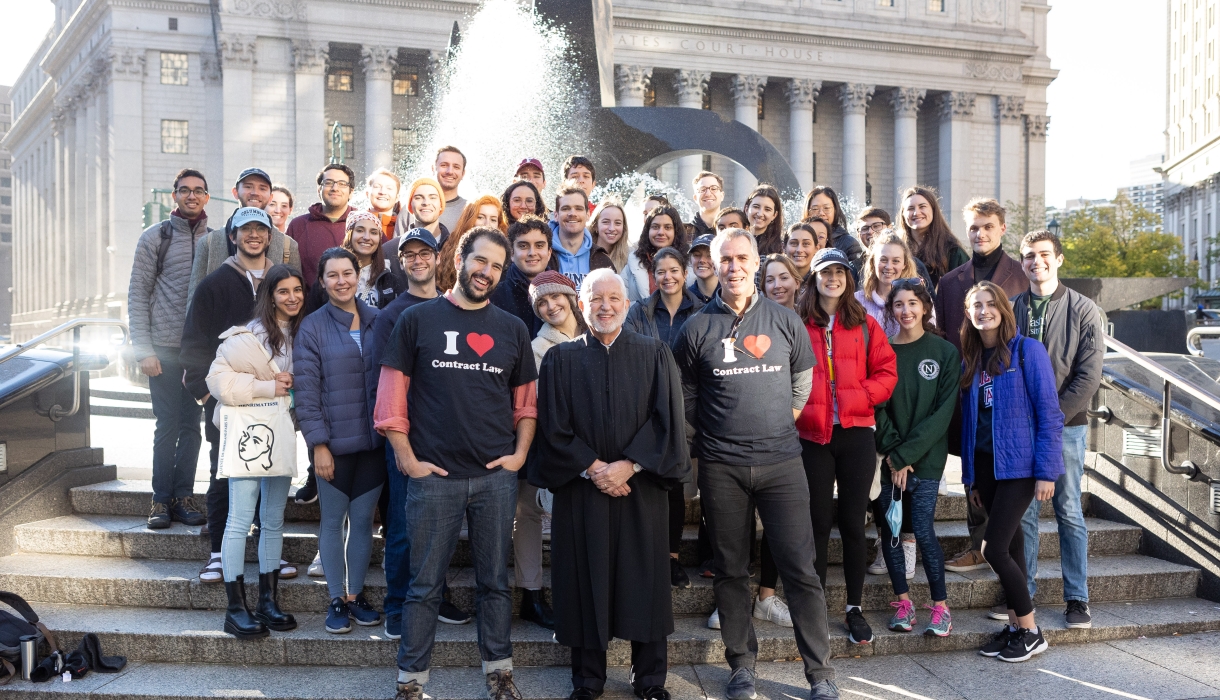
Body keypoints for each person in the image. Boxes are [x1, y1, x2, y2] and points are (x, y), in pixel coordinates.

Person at [673, 228, 839, 700]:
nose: (734, 267)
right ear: (713, 264)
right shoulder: (696, 328)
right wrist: (713, 437)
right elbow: (685, 397)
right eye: (725, 259)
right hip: (722, 468)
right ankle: (741, 665)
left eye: (742, 257)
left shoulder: (784, 319)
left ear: (756, 260)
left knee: (800, 569)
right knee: (730, 569)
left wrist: (778, 421)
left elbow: (803, 380)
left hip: (782, 464)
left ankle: (821, 674)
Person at [374, 227, 538, 700]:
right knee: (423, 586)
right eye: (479, 261)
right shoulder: (418, 319)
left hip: (494, 480)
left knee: (495, 584)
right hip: (434, 479)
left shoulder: (511, 328)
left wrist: (520, 455)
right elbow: (390, 399)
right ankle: (411, 683)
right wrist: (408, 459)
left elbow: (526, 404)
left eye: (495, 267)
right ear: (460, 257)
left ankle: (500, 675)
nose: (485, 272)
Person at [532, 268, 689, 700]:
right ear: (581, 305)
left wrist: (629, 466)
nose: (605, 306)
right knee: (584, 579)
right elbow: (553, 427)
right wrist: (594, 468)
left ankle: (651, 678)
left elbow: (667, 421)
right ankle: (587, 680)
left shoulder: (654, 353)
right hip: (582, 491)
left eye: (614, 299)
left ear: (626, 304)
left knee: (645, 579)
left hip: (641, 489)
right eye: (595, 298)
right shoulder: (561, 360)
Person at [366, 228, 472, 635]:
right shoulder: (393, 314)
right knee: (402, 526)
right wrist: (398, 440)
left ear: (437, 257)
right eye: (409, 254)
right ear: (402, 261)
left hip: (448, 437)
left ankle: (437, 594)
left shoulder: (454, 307)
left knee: (442, 526)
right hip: (407, 439)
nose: (417, 260)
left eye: (424, 253)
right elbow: (384, 381)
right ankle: (397, 606)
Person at [796, 247, 897, 646]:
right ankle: (816, 606)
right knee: (817, 523)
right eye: (825, 272)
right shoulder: (799, 323)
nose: (832, 278)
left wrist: (859, 397)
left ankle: (854, 608)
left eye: (840, 272)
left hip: (856, 433)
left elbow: (887, 373)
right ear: (815, 278)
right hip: (813, 436)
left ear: (849, 279)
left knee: (854, 523)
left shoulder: (866, 323)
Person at [960, 281, 1063, 663]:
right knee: (1014, 546)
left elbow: (1050, 414)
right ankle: (1018, 626)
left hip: (1020, 465)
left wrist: (1047, 471)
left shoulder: (1027, 351)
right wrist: (970, 475)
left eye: (990, 304)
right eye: (975, 306)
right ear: (968, 315)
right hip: (987, 467)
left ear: (1004, 309)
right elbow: (972, 424)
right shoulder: (971, 358)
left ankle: (1033, 631)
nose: (983, 311)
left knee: (993, 547)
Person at [180, 207, 278, 585]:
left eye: (260, 229)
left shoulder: (282, 280)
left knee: (271, 472)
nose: (253, 235)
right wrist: (208, 396)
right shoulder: (214, 284)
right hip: (228, 400)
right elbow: (192, 347)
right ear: (232, 236)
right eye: (245, 229)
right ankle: (219, 552)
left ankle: (270, 552)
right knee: (224, 474)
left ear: (270, 236)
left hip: (272, 398)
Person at [1013, 230, 1104, 631]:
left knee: (1067, 510)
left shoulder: (1084, 310)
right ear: (1022, 262)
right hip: (1019, 426)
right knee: (1025, 513)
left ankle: (1077, 598)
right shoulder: (1013, 306)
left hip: (1066, 426)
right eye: (1030, 256)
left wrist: (1052, 419)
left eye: (1045, 254)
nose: (1038, 262)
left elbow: (1089, 376)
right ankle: (1024, 594)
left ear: (1059, 259)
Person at [207, 264, 305, 638]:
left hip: (281, 433)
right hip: (249, 435)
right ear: (270, 295)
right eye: (283, 291)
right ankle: (235, 607)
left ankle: (267, 600)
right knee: (240, 517)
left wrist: (292, 387)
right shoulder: (246, 336)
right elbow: (216, 380)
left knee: (274, 518)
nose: (292, 297)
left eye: (298, 290)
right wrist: (269, 387)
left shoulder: (303, 332)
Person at [936, 199, 1029, 582]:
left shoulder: (1022, 277)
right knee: (974, 471)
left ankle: (1010, 561)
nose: (980, 233)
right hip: (967, 389)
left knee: (1008, 487)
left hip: (1008, 393)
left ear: (1002, 228)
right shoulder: (950, 281)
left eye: (988, 226)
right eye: (974, 227)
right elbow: (945, 336)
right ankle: (979, 545)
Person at [294, 247, 386, 635]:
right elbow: (306, 392)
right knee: (333, 522)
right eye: (333, 275)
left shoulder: (378, 320)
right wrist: (318, 445)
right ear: (323, 281)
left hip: (373, 446)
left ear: (358, 274)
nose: (342, 281)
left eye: (347, 273)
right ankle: (335, 597)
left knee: (363, 522)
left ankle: (355, 595)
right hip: (333, 446)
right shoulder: (312, 327)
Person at [873, 278, 959, 637]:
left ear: (925, 307)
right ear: (890, 309)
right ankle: (903, 603)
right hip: (889, 460)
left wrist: (908, 455)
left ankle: (941, 607)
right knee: (892, 531)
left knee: (922, 530)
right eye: (898, 304)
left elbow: (943, 413)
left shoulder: (944, 352)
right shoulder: (882, 351)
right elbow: (876, 405)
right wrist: (895, 454)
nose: (905, 311)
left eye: (912, 303)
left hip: (925, 460)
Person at [128, 168, 211, 529]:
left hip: (200, 352)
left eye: (198, 191)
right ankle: (160, 500)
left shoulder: (218, 238)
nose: (191, 196)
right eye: (184, 190)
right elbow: (137, 295)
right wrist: (142, 350)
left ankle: (184, 495)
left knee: (193, 425)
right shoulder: (155, 237)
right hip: (161, 348)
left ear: (207, 197)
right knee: (167, 425)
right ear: (174, 196)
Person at [623, 247, 704, 591]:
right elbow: (626, 353)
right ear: (653, 276)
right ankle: (645, 556)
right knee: (648, 485)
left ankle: (671, 558)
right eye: (661, 272)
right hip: (646, 408)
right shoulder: (640, 311)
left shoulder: (702, 311)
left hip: (690, 411)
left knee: (673, 488)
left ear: (684, 273)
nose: (668, 277)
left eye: (674, 270)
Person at [190, 167, 302, 300]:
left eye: (262, 188)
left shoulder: (288, 246)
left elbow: (296, 297)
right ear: (235, 192)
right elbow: (195, 297)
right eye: (248, 187)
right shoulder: (209, 243)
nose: (255, 193)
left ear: (270, 196)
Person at [307, 209, 405, 313]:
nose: (367, 237)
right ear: (349, 234)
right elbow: (312, 316)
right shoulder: (329, 275)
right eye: (360, 230)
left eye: (373, 232)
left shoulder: (389, 280)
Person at [285, 164, 355, 290]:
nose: (335, 188)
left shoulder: (363, 224)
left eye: (342, 184)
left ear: (351, 192)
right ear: (319, 190)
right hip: (310, 307)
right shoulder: (298, 225)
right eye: (328, 182)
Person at [490, 216, 558, 338]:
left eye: (539, 245)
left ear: (549, 253)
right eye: (523, 246)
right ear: (511, 253)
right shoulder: (495, 295)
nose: (532, 253)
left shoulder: (562, 294)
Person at [384, 177, 452, 285]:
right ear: (410, 205)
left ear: (441, 205)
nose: (426, 202)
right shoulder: (389, 250)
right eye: (419, 197)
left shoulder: (456, 247)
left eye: (433, 197)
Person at [898, 186, 969, 289]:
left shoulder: (952, 252)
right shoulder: (896, 249)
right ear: (903, 214)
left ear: (933, 210)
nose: (916, 213)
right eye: (910, 208)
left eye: (922, 207)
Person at [436, 196, 510, 293]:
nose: (487, 224)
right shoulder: (449, 251)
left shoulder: (504, 258)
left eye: (493, 219)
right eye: (480, 217)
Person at [857, 232, 925, 336]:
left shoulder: (920, 299)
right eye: (883, 260)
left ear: (904, 265)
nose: (888, 266)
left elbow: (929, 337)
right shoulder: (856, 301)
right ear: (873, 262)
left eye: (896, 261)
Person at [622, 204, 688, 303]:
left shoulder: (690, 262)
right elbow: (620, 301)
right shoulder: (633, 262)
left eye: (667, 227)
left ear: (676, 231)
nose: (661, 232)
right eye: (655, 227)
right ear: (648, 230)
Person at [804, 186, 865, 275]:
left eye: (827, 208)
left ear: (835, 210)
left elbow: (855, 278)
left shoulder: (849, 243)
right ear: (807, 211)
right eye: (815, 209)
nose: (821, 213)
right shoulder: (799, 239)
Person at [366, 168, 409, 241]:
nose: (382, 192)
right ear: (367, 193)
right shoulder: (356, 224)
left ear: (397, 197)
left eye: (389, 188)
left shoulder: (406, 228)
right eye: (377, 186)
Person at [434, 146, 468, 233]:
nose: (450, 171)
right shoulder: (413, 208)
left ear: (463, 173)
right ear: (434, 169)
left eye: (456, 167)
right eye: (444, 165)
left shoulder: (470, 211)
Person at [589, 200, 630, 272]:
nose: (612, 228)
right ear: (595, 226)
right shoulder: (584, 254)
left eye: (617, 223)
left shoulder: (629, 259)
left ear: (624, 227)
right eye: (606, 222)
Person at [745, 184, 785, 256]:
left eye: (767, 209)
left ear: (774, 215)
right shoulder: (735, 239)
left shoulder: (780, 248)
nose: (760, 214)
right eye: (756, 207)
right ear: (746, 209)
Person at [691, 171, 725, 237]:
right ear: (695, 198)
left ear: (722, 195)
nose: (708, 194)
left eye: (714, 188)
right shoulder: (683, 232)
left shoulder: (732, 230)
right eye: (702, 190)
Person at [687, 233, 719, 303]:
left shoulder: (729, 295)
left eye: (710, 255)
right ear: (690, 260)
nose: (702, 260)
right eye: (697, 255)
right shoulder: (685, 298)